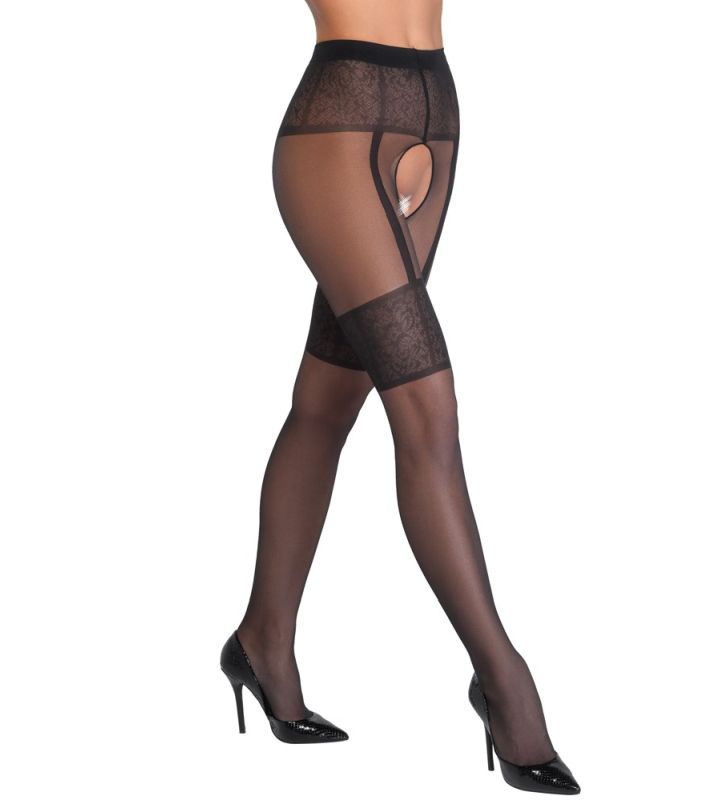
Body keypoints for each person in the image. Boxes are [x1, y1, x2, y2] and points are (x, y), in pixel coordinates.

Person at [219, 1, 581, 793]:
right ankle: (505, 682)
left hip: (436, 110)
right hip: (338, 128)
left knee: (327, 402)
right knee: (429, 414)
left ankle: (262, 641)